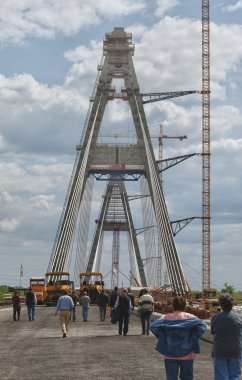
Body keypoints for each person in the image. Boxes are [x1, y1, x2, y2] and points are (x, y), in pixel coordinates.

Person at [150, 295, 207, 380]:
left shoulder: (165, 317)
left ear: (173, 306)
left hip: (170, 352)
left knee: (171, 377)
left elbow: (153, 326)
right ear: (185, 306)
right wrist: (193, 336)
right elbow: (203, 327)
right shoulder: (191, 317)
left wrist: (163, 336)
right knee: (187, 377)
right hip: (188, 353)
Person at [211, 293, 242, 380]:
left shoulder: (215, 318)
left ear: (220, 305)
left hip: (219, 351)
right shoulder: (240, 317)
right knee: (235, 376)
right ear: (232, 304)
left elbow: (213, 333)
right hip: (236, 351)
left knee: (221, 376)